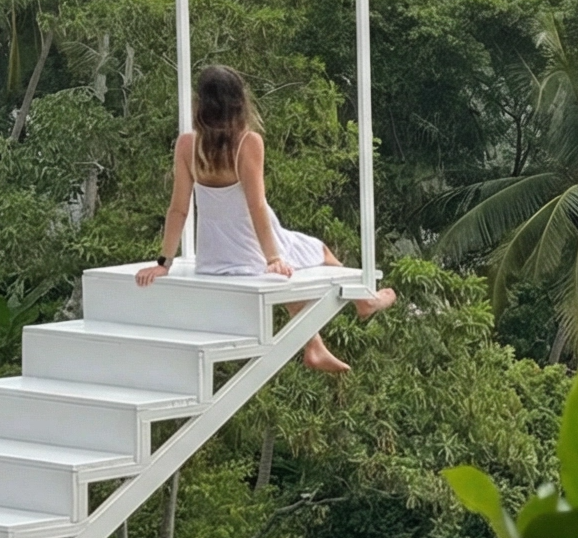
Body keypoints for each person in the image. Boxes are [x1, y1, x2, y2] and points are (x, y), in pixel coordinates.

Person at [137, 64, 397, 373]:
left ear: (201, 105)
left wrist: (163, 262)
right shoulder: (248, 143)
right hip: (252, 253)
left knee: (287, 269)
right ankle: (364, 302)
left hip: (213, 257)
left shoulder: (187, 145)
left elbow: (178, 209)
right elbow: (256, 205)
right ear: (239, 103)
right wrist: (272, 256)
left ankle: (314, 346)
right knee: (319, 251)